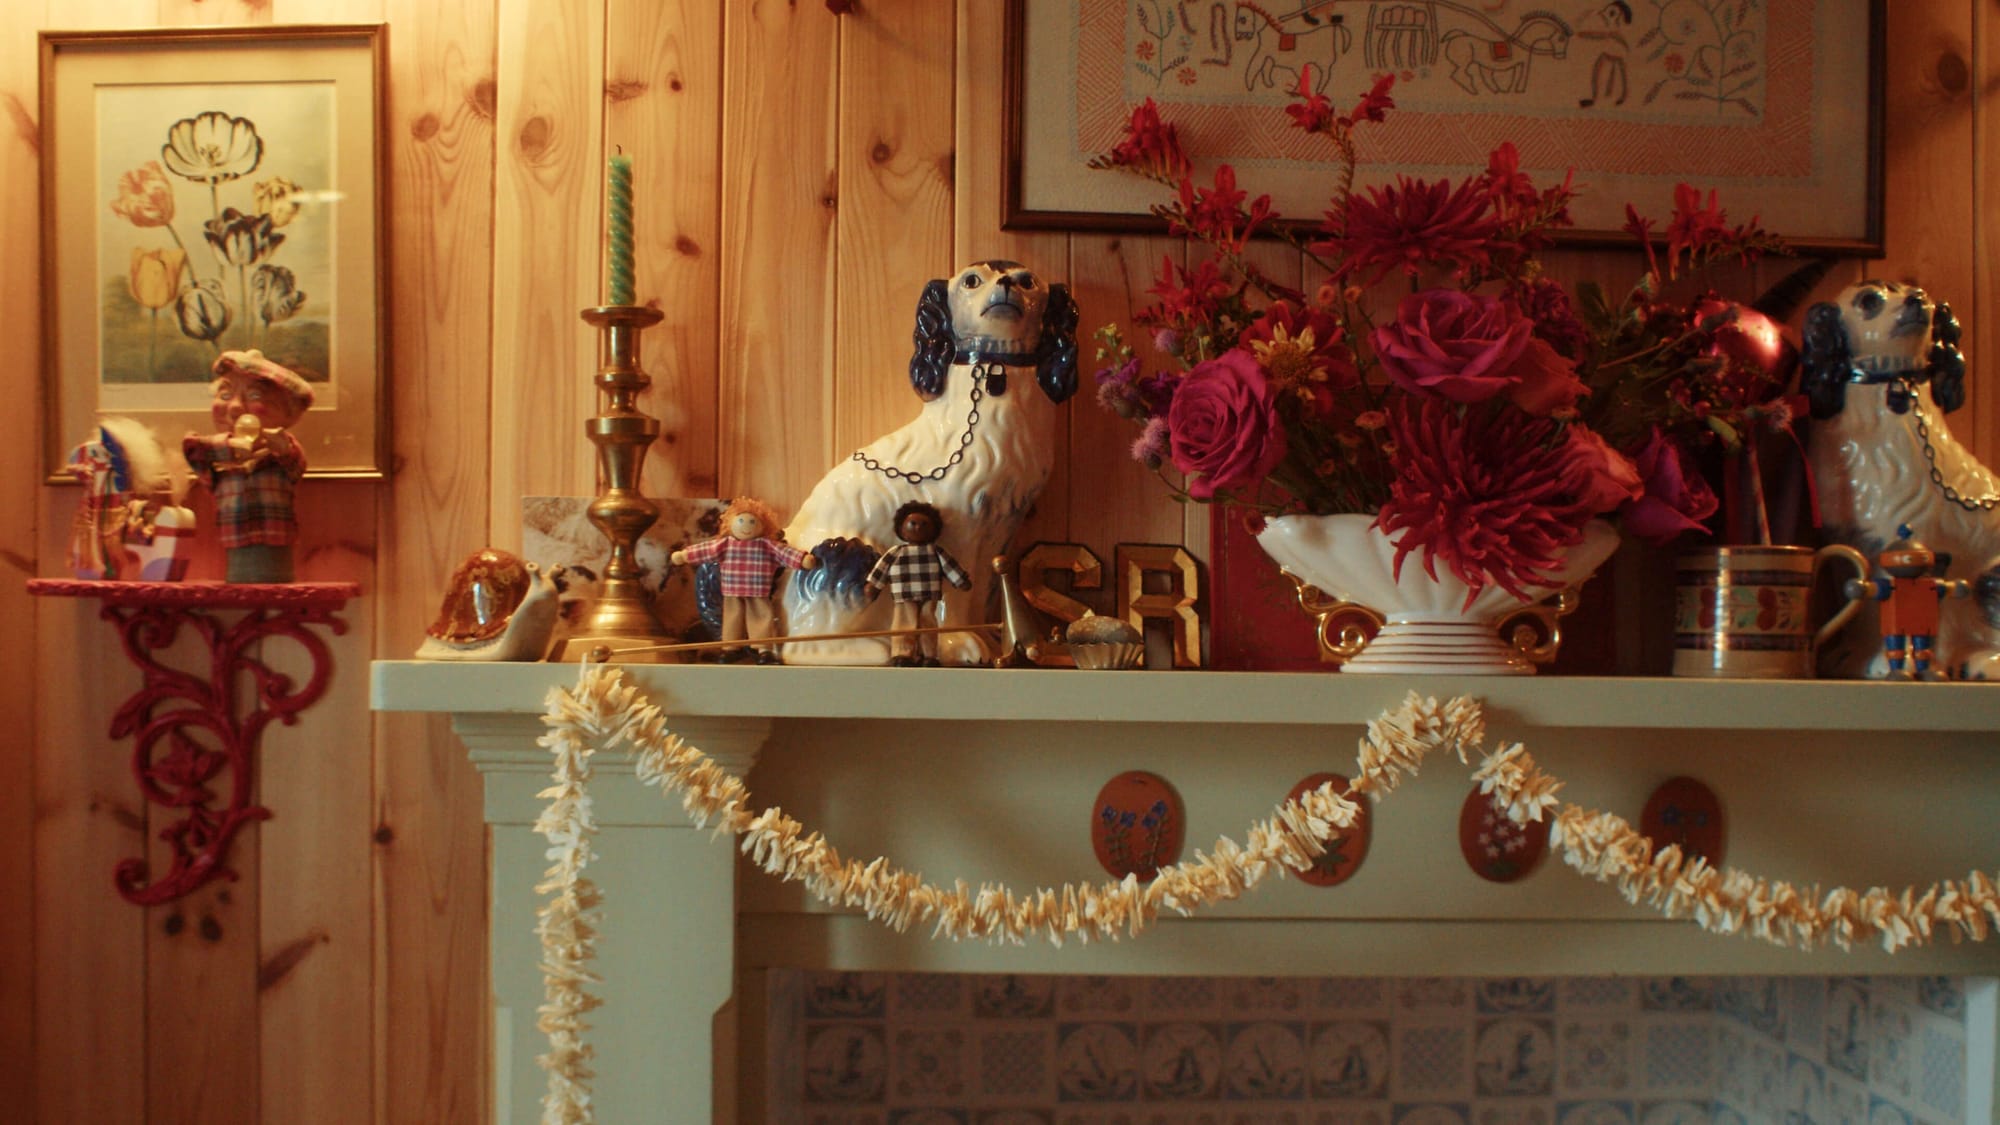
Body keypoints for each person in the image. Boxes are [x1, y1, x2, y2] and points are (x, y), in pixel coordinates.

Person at [183, 350, 315, 583]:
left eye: (254, 396)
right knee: (240, 577)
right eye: (225, 395)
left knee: (274, 577)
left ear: (288, 413)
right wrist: (231, 446)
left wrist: (271, 442)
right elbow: (194, 449)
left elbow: (293, 460)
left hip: (275, 539)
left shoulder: (282, 455)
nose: (235, 407)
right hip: (234, 538)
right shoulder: (217, 455)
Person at [672, 497, 819, 663]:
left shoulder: (766, 545)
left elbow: (785, 553)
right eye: (741, 520)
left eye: (752, 521)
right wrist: (685, 555)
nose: (747, 526)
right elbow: (705, 550)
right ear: (730, 523)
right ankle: (731, 648)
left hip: (758, 590)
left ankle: (764, 649)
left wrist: (802, 559)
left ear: (764, 525)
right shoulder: (725, 545)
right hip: (732, 591)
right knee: (732, 618)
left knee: (761, 618)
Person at [865, 500, 972, 667]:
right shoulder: (895, 552)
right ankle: (902, 653)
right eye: (912, 523)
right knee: (902, 623)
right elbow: (882, 569)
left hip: (929, 593)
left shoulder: (936, 552)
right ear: (901, 529)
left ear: (934, 529)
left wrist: (960, 581)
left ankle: (929, 655)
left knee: (928, 624)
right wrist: (873, 586)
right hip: (903, 594)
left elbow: (950, 567)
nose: (918, 528)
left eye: (924, 524)